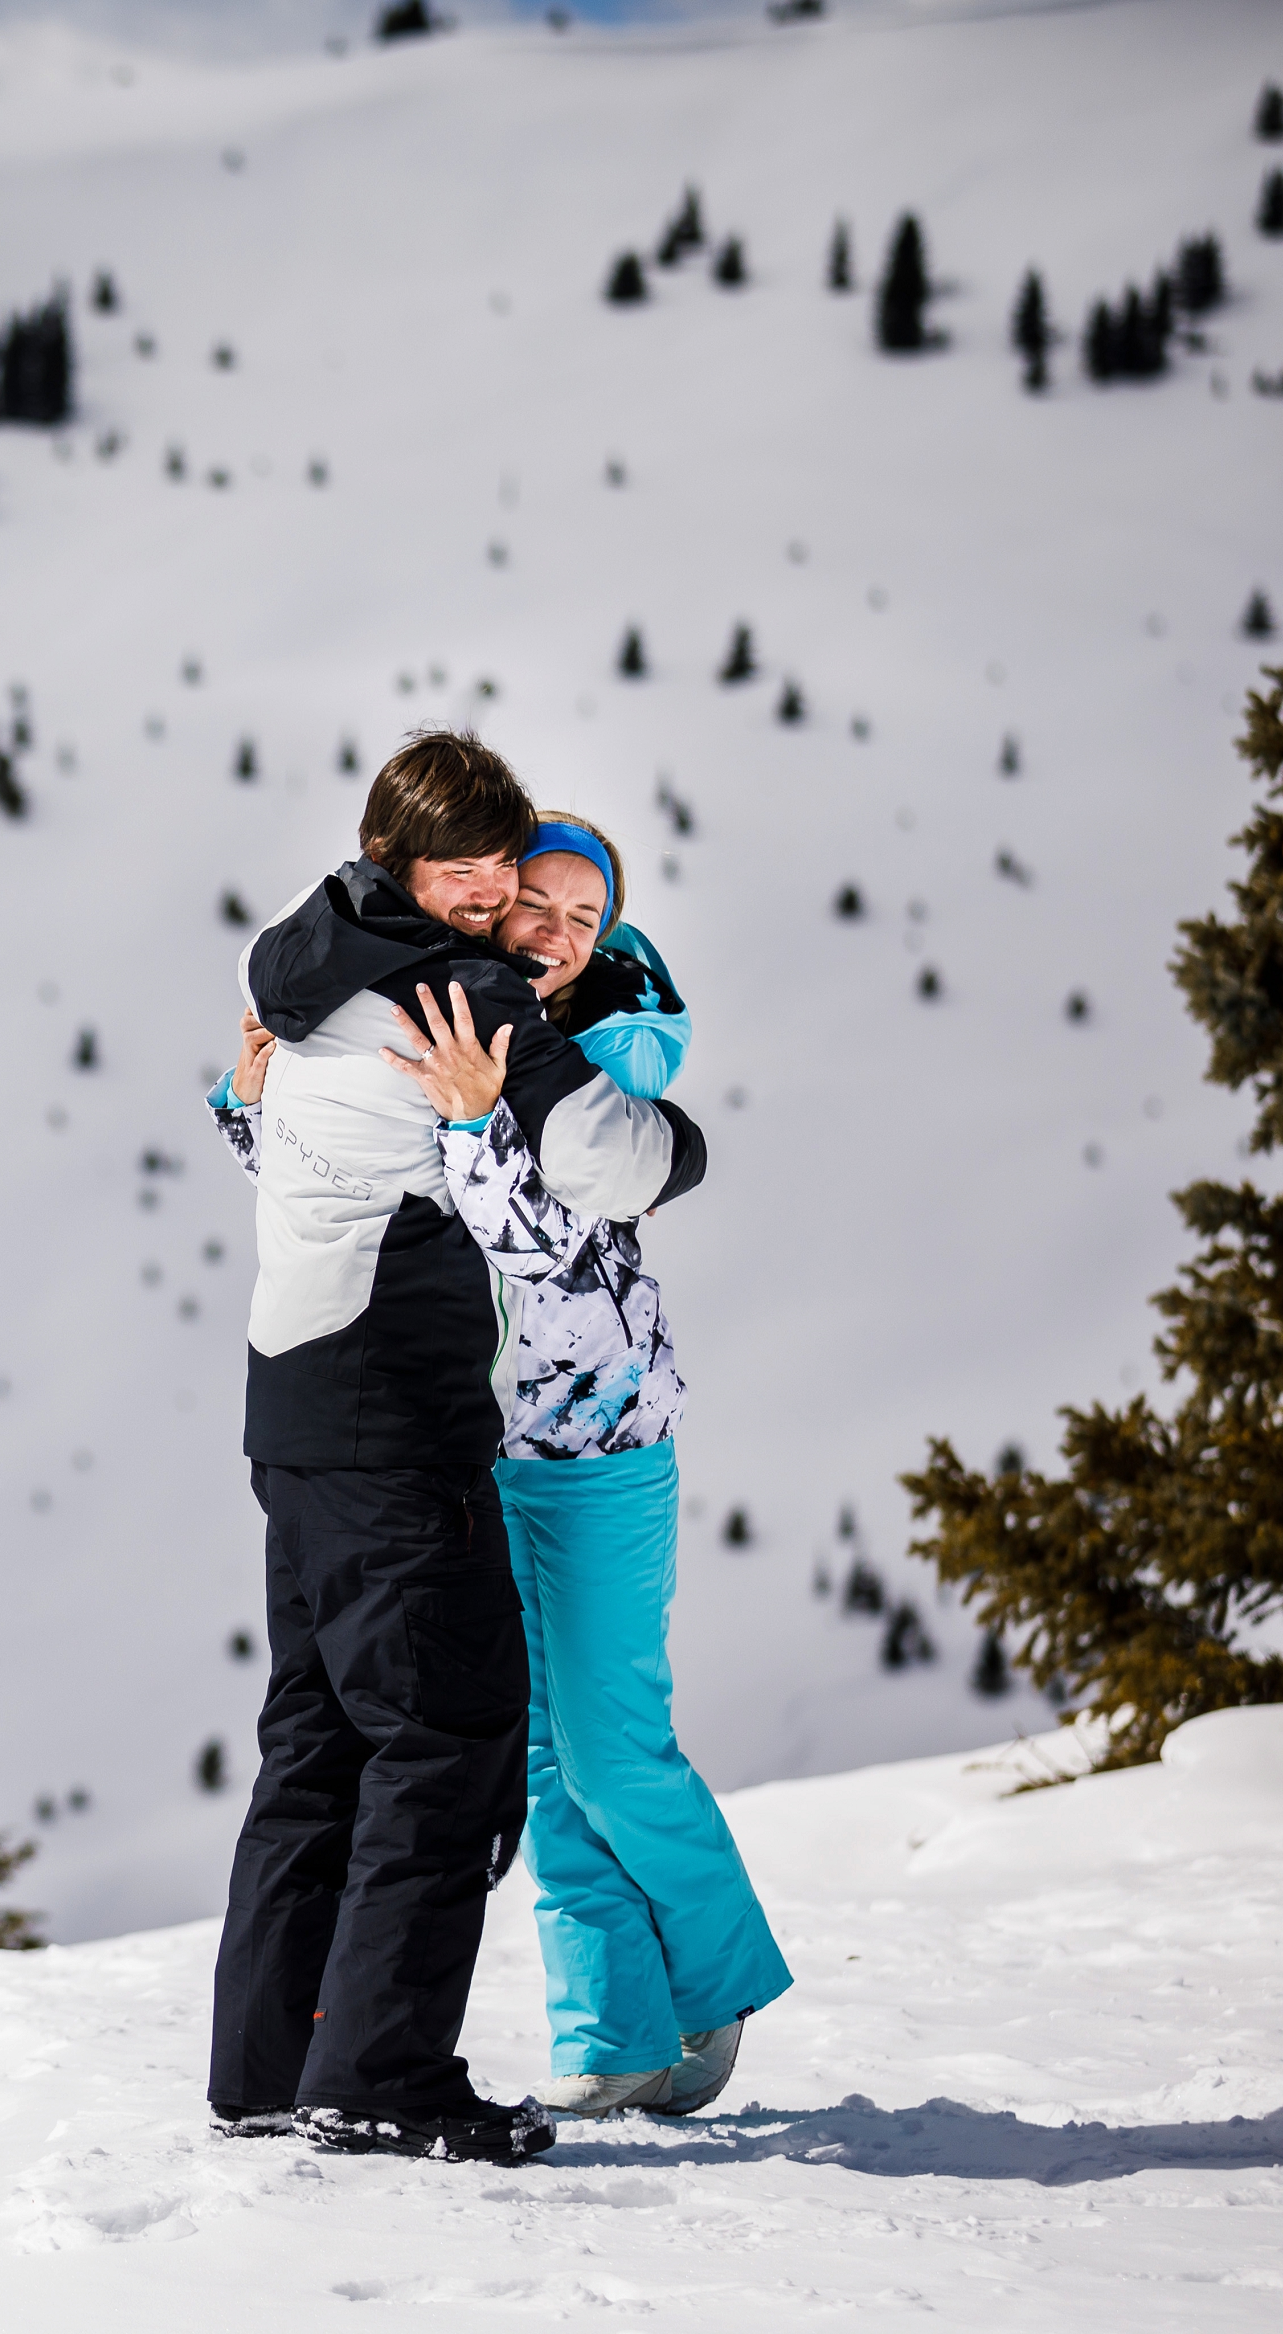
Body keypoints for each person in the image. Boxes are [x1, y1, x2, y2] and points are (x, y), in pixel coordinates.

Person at [204, 735, 706, 2165]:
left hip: (291, 1407)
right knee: (448, 1731)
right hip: (392, 1415)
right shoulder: (465, 994)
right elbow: (610, 1161)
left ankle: (271, 2061)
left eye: (504, 874)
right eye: (465, 876)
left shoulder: (296, 957)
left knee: (320, 1736)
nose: (493, 902)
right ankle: (381, 2071)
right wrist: (677, 1139)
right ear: (399, 859)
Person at [342, 817, 792, 2118]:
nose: (550, 928)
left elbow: (545, 1239)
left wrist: (484, 1118)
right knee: (543, 1766)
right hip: (482, 1464)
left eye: (580, 918)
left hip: (602, 1452)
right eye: (533, 900)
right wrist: (259, 1099)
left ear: (599, 948)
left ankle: (715, 1979)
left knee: (612, 1750)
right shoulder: (441, 1033)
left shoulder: (593, 1067)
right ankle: (614, 2037)